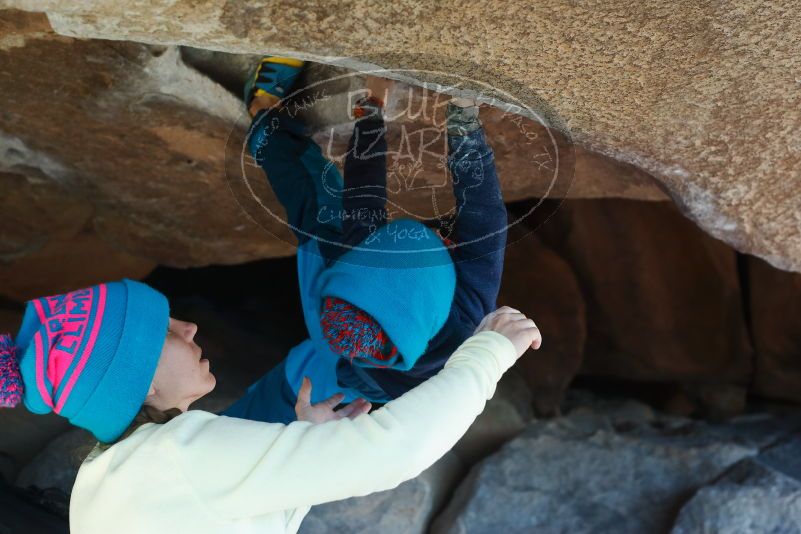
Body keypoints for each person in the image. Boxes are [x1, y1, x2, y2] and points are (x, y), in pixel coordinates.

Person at [0, 279, 542, 533]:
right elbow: (392, 451)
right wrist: (489, 351)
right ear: (137, 382)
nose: (189, 327)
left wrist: (303, 443)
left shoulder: (110, 475)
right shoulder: (177, 456)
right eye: (164, 332)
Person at [223, 57, 509, 423]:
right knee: (270, 407)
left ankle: (264, 112)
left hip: (332, 342)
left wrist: (370, 109)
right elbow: (483, 213)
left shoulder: (349, 258)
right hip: (341, 366)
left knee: (312, 197)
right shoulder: (466, 314)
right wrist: (463, 122)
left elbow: (364, 194)